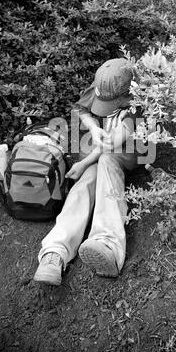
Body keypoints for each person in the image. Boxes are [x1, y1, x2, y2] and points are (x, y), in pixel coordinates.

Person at [33, 58, 144, 286]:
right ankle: (55, 250)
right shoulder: (103, 85)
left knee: (104, 162)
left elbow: (111, 145)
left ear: (127, 96)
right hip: (99, 148)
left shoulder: (137, 104)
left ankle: (108, 244)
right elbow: (80, 108)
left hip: (124, 152)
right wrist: (93, 127)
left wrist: (82, 164)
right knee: (88, 179)